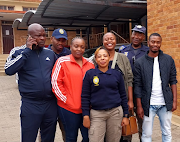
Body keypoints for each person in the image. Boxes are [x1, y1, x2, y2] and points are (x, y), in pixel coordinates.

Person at [4, 23, 57, 142]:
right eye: (39, 36)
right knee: (28, 138)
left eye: (44, 35)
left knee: (48, 138)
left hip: (50, 104)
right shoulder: (18, 52)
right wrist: (27, 51)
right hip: (31, 105)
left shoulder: (49, 53)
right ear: (30, 37)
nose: (43, 38)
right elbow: (8, 70)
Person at [134, 33, 177, 142]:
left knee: (167, 132)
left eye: (158, 42)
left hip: (165, 103)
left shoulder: (168, 60)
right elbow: (137, 85)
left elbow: (173, 81)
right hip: (148, 104)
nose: (155, 44)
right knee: (146, 134)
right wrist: (139, 106)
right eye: (153, 41)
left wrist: (174, 101)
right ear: (148, 43)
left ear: (160, 43)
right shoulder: (140, 62)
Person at [82, 46, 129, 142]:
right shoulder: (90, 74)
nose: (102, 58)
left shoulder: (117, 74)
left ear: (109, 57)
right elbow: (85, 96)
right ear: (95, 59)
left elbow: (123, 95)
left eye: (105, 56)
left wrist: (125, 115)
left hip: (115, 113)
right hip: (97, 114)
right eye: (99, 56)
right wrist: (85, 115)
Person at [51, 37, 94, 142]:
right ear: (70, 47)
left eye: (82, 47)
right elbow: (55, 83)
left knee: (89, 137)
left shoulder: (90, 64)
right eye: (76, 46)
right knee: (71, 137)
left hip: (86, 110)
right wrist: (66, 100)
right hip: (68, 109)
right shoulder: (62, 61)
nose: (79, 49)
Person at [119, 25, 149, 142]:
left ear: (143, 37)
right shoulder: (123, 50)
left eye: (140, 34)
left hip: (143, 93)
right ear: (131, 35)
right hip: (127, 92)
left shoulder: (147, 51)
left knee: (144, 123)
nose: (136, 36)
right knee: (127, 124)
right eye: (134, 33)